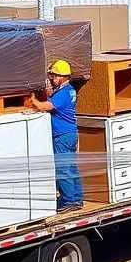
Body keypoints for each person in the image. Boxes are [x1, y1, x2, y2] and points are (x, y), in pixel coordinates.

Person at [30, 60, 83, 211]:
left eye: (53, 76)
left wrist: (33, 99)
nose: (52, 79)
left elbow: (45, 106)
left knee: (63, 169)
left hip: (62, 136)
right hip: (70, 133)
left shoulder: (63, 94)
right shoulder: (70, 90)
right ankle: (76, 199)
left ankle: (68, 202)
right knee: (71, 168)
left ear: (60, 77)